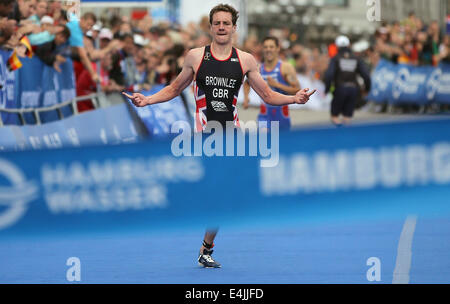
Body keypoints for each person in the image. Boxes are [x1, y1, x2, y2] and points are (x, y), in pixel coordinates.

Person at [123, 4, 316, 268]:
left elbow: (268, 96)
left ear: (234, 28)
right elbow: (174, 88)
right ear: (211, 27)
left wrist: (294, 98)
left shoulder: (246, 60)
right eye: (218, 23)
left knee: (225, 196)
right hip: (205, 136)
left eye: (227, 23)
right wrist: (147, 100)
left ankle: (206, 248)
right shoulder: (195, 56)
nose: (222, 27)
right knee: (214, 191)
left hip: (232, 136)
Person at [243, 36, 300, 130]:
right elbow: (247, 82)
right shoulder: (258, 69)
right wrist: (246, 97)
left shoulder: (286, 68)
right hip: (264, 116)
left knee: (283, 144)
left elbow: (297, 90)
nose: (268, 50)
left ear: (278, 48)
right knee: (264, 138)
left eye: (271, 47)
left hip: (282, 116)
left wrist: (277, 85)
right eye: (265, 47)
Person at [324, 35, 371, 126]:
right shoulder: (356, 58)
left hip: (340, 89)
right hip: (353, 90)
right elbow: (366, 75)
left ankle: (337, 136)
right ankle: (345, 136)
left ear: (337, 46)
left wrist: (327, 89)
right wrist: (367, 89)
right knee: (347, 117)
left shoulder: (335, 58)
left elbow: (329, 75)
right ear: (349, 45)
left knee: (335, 116)